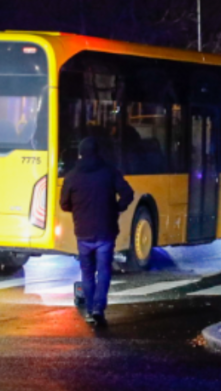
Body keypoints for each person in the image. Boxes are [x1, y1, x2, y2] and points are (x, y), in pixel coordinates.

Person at [59, 137, 134, 326]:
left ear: (80, 154)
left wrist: (77, 210)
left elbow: (64, 204)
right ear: (98, 152)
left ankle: (90, 310)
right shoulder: (109, 172)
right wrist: (118, 207)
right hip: (106, 231)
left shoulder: (72, 176)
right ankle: (99, 308)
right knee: (104, 270)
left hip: (83, 232)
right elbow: (128, 193)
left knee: (87, 272)